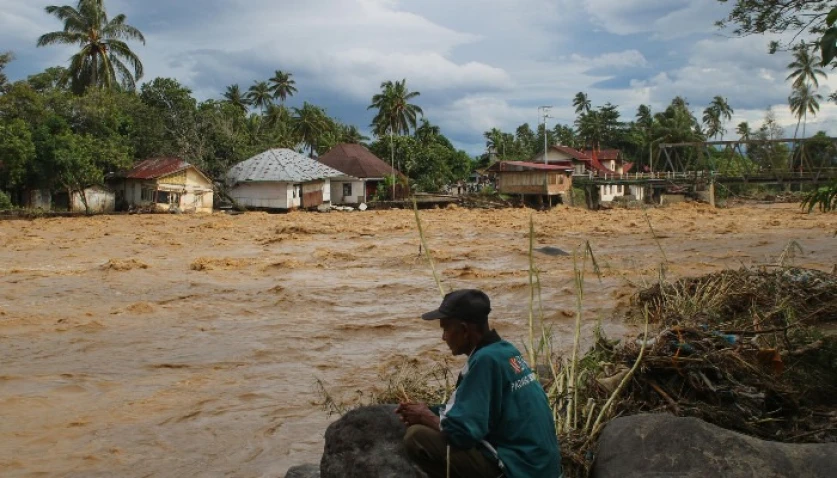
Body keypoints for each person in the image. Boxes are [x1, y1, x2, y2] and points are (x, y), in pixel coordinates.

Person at [396, 289, 562, 478]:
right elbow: (475, 409)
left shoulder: (485, 361)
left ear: (465, 330)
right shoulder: (505, 351)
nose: (444, 337)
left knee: (417, 437)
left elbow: (463, 433)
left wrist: (427, 418)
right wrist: (430, 410)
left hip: (519, 470)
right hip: (542, 468)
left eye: (446, 329)